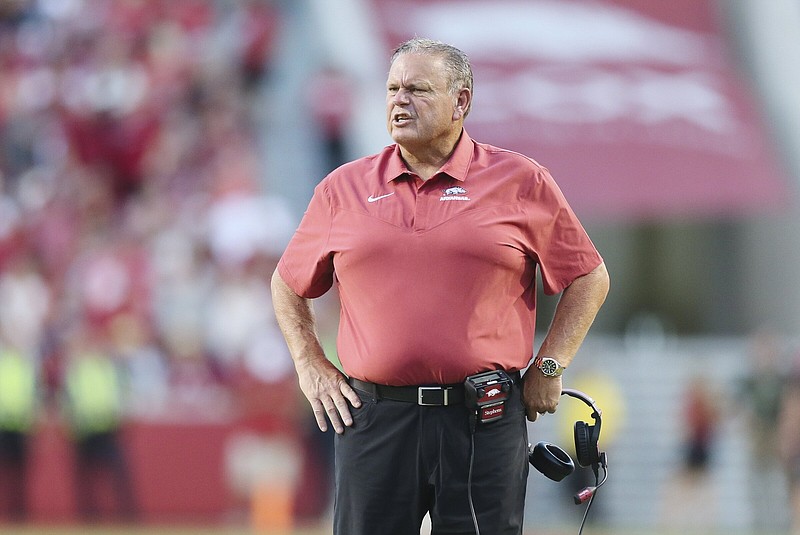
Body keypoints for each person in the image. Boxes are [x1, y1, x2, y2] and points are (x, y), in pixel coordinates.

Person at [271, 37, 609, 535]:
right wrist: (309, 362)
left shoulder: (519, 180)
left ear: (462, 101)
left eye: (418, 89)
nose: (399, 100)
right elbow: (286, 283)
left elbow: (589, 275)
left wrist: (551, 363)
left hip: (483, 417)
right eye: (392, 88)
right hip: (374, 416)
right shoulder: (341, 188)